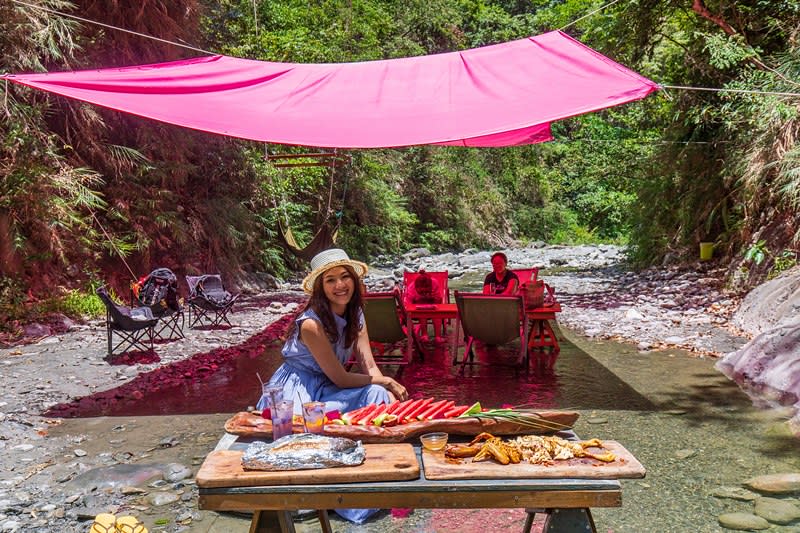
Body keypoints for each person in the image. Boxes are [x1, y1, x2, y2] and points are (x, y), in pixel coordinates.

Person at [258, 248, 408, 417]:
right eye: (330, 280)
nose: (340, 285)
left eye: (345, 276)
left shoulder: (355, 314)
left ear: (353, 279)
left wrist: (386, 391)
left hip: (327, 387)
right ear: (320, 287)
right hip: (298, 390)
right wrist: (387, 381)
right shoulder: (311, 324)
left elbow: (370, 366)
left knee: (378, 394)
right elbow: (341, 379)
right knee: (309, 422)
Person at [406, 269, 445, 343]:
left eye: (426, 290)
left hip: (433, 305)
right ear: (416, 287)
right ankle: (424, 335)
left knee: (437, 313)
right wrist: (418, 300)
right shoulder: (411, 288)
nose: (424, 292)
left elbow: (439, 300)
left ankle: (438, 336)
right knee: (422, 313)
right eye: (421, 291)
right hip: (417, 309)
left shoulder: (434, 283)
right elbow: (407, 305)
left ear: (430, 286)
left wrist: (432, 297)